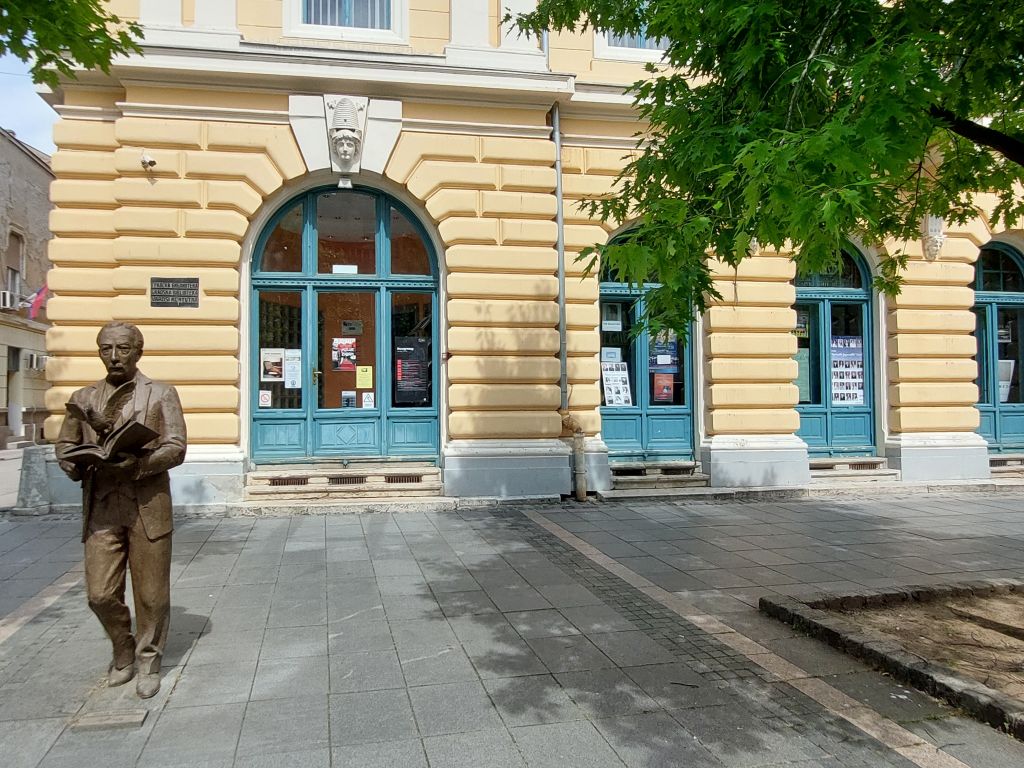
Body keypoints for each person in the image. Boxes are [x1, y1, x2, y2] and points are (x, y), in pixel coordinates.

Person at [56, 321, 186, 698]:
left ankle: (148, 658)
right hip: (102, 506)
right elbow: (65, 445)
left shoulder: (161, 393)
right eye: (106, 349)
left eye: (123, 349)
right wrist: (72, 464)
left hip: (147, 505)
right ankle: (122, 646)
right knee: (99, 593)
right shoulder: (82, 399)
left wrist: (141, 465)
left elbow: (176, 445)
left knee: (152, 594)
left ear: (138, 351)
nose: (114, 357)